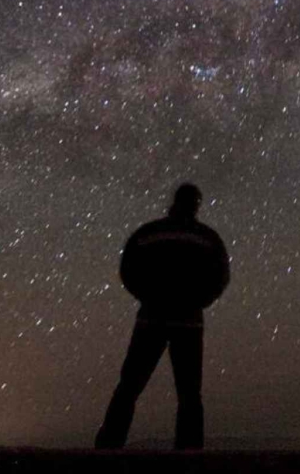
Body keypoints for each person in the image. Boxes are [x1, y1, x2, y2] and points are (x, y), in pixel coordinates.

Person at [95, 182, 231, 450]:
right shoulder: (208, 238)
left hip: (151, 319)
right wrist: (199, 301)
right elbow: (221, 277)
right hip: (189, 323)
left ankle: (108, 447)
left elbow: (128, 270)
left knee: (129, 386)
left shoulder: (148, 233)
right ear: (196, 204)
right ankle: (189, 453)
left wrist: (148, 296)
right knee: (189, 393)